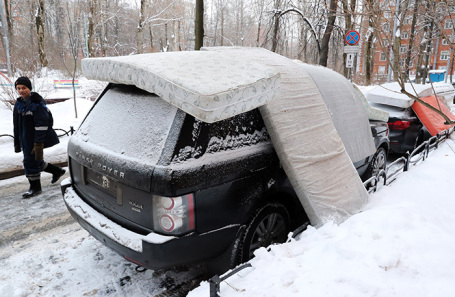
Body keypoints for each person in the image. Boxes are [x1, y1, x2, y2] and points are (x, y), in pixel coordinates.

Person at [13, 76, 66, 198]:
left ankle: (35, 188)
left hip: (34, 139)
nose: (21, 90)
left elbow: (42, 125)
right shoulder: (19, 104)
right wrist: (17, 141)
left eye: (24, 88)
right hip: (24, 138)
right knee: (35, 161)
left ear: (29, 88)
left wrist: (38, 144)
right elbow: (17, 124)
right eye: (18, 88)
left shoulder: (36, 104)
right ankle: (57, 171)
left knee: (29, 161)